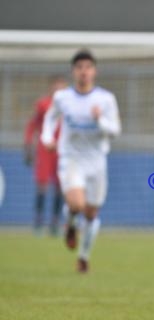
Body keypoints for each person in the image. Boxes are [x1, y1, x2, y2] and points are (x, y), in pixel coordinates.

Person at [41, 50, 121, 273]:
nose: (84, 72)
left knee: (92, 214)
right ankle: (71, 222)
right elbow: (50, 118)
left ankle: (83, 256)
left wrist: (100, 120)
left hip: (96, 161)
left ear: (94, 71)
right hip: (71, 157)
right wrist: (47, 138)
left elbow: (115, 131)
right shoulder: (62, 97)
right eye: (79, 67)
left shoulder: (105, 99)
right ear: (73, 71)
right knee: (76, 203)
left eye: (88, 67)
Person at [24, 76, 67, 235]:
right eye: (56, 87)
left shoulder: (69, 106)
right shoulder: (43, 105)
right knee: (42, 185)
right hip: (45, 149)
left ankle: (55, 222)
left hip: (62, 150)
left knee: (60, 187)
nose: (58, 91)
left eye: (62, 88)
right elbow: (32, 125)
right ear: (51, 89)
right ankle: (38, 221)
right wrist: (28, 145)